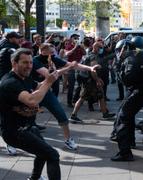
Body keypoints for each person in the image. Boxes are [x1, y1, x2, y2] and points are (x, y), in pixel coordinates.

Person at [0, 48, 71, 180]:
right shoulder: (10, 83)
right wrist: (49, 82)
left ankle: (34, 178)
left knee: (43, 152)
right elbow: (32, 100)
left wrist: (58, 73)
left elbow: (39, 86)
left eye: (31, 62)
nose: (29, 66)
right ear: (14, 63)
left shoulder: (24, 77)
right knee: (53, 155)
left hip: (28, 127)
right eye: (25, 62)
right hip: (14, 132)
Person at [32, 43, 100, 149]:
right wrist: (68, 68)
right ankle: (12, 141)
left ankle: (68, 140)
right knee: (24, 117)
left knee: (60, 113)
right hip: (32, 91)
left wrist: (90, 68)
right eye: (51, 52)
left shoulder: (53, 58)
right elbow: (50, 75)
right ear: (43, 51)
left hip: (46, 92)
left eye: (53, 52)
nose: (53, 54)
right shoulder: (35, 61)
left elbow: (74, 65)